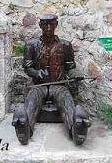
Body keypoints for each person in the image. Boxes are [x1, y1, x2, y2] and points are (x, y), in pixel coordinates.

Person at [12, 14, 91, 146]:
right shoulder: (31, 45)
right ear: (40, 26)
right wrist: (36, 73)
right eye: (45, 24)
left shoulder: (65, 45)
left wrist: (75, 75)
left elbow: (71, 67)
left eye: (51, 24)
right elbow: (27, 68)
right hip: (39, 86)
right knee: (31, 102)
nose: (48, 28)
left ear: (56, 25)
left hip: (59, 86)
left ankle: (76, 130)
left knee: (67, 102)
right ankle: (24, 129)